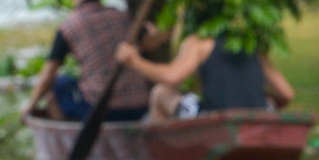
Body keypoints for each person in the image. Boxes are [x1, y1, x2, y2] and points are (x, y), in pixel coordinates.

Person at [22, 0, 157, 125]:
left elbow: (47, 77)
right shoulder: (123, 16)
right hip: (140, 105)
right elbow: (148, 44)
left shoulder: (69, 26)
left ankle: (68, 138)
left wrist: (29, 107)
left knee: (56, 84)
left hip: (100, 111)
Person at [112, 32, 295, 122]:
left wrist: (134, 61)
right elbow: (287, 94)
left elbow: (172, 77)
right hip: (259, 114)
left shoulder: (200, 43)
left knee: (161, 92)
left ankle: (162, 156)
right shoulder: (251, 42)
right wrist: (264, 101)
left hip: (214, 117)